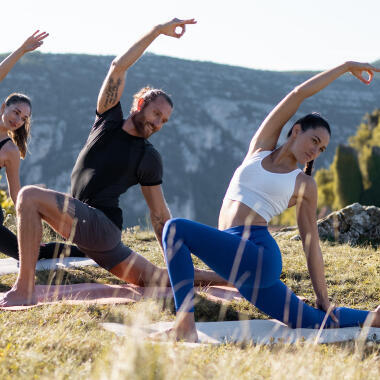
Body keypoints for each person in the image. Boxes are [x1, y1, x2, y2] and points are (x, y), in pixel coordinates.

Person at [0, 18, 226, 307]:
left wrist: (174, 255)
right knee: (154, 278)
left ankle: (24, 289)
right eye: (156, 114)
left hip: (101, 227)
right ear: (140, 104)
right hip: (88, 232)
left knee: (29, 196)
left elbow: (159, 215)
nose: (158, 124)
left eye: (164, 121)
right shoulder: (107, 119)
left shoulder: (148, 156)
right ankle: (232, 278)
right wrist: (156, 31)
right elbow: (118, 66)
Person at [158, 61, 380, 341]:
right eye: (314, 140)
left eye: (322, 148)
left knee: (175, 229)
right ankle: (375, 318)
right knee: (309, 321)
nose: (315, 151)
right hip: (236, 255)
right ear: (296, 130)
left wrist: (323, 296)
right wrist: (345, 67)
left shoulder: (304, 184)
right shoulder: (260, 148)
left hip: (257, 256)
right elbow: (299, 93)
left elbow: (310, 242)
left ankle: (185, 326)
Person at [0, 31, 84, 261]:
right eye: (16, 112)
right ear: (3, 107)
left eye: (24, 118)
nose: (18, 119)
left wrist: (27, 229)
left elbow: (17, 194)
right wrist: (21, 50)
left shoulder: (10, 151)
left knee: (32, 253)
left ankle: (87, 250)